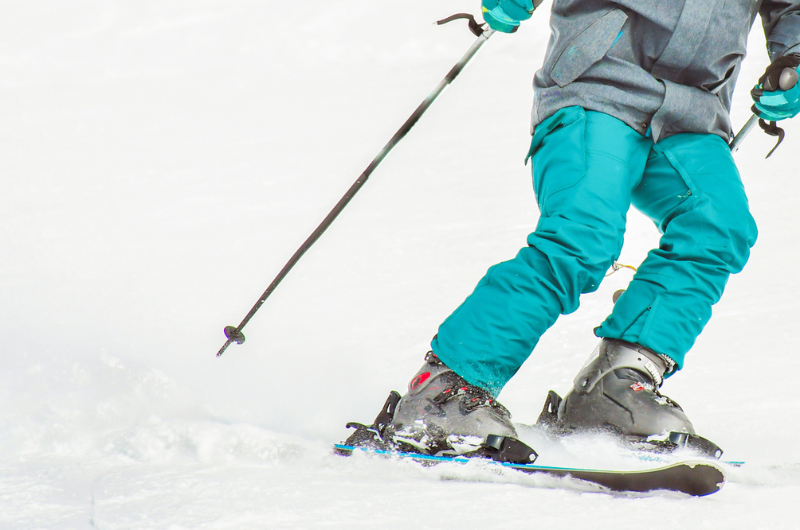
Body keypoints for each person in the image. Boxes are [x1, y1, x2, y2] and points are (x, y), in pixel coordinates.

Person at [380, 0, 800, 453]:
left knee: (718, 228)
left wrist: (795, 56)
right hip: (596, 83)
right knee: (583, 236)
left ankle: (617, 385)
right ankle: (445, 389)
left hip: (694, 110)